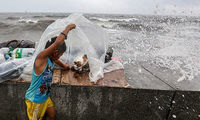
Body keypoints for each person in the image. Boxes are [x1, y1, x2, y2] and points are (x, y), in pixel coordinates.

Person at [25, 24, 76, 120]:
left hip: (45, 97)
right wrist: (67, 28)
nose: (59, 57)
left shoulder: (51, 59)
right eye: (60, 55)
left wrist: (64, 66)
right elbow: (57, 43)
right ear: (55, 51)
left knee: (51, 115)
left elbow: (56, 60)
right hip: (35, 100)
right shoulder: (41, 58)